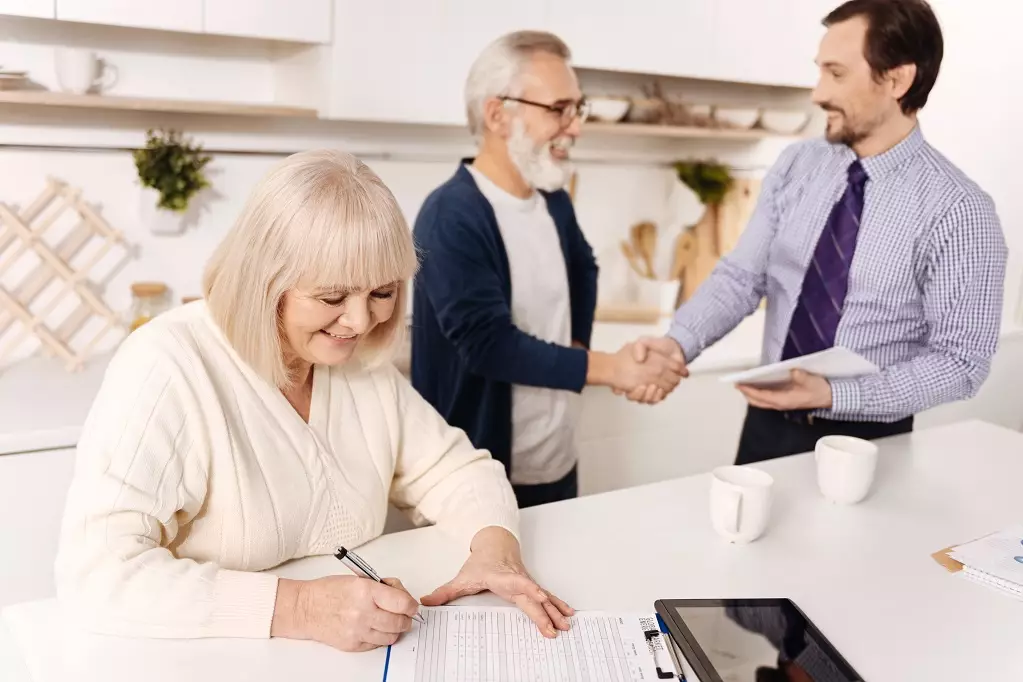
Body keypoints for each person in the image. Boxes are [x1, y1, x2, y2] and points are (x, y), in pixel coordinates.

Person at [53, 150, 574, 653]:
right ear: (264, 281)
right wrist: (299, 608)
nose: (361, 321)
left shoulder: (357, 362)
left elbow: (457, 471)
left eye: (383, 292)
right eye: (332, 298)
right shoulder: (166, 365)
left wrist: (493, 550)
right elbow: (97, 572)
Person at [632, 0, 1007, 463]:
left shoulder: (960, 211)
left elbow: (961, 363)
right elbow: (741, 279)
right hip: (767, 423)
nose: (817, 93)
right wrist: (676, 344)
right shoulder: (797, 166)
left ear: (896, 79)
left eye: (836, 73)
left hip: (869, 442)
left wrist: (832, 394)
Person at [411, 31, 685, 508]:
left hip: (554, 456)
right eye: (558, 109)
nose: (574, 126)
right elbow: (487, 345)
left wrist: (577, 343)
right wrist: (610, 367)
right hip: (475, 473)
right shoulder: (450, 214)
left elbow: (584, 268)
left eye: (576, 108)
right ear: (498, 114)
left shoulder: (552, 199)